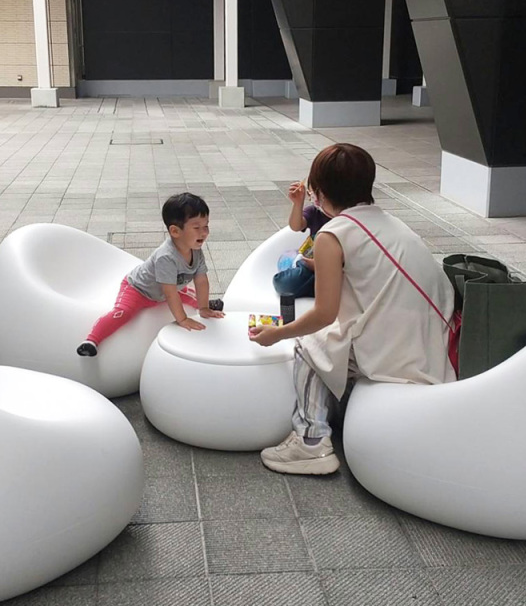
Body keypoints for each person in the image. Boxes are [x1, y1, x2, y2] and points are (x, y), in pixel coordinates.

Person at [250, 143, 457, 475]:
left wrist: (278, 334)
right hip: (436, 347)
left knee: (310, 343)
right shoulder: (392, 223)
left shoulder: (332, 234)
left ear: (318, 192)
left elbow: (324, 314)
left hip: (399, 356)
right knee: (334, 338)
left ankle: (310, 441)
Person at [77, 192, 224, 357]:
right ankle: (91, 340)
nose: (204, 232)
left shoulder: (195, 250)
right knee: (122, 313)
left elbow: (201, 280)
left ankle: (207, 304)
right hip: (138, 289)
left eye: (206, 226)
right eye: (197, 228)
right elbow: (170, 294)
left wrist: (203, 308)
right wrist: (182, 319)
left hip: (166, 289)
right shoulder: (166, 257)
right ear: (175, 231)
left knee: (190, 296)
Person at [272, 180, 331, 298]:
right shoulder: (314, 212)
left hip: (334, 270)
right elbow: (296, 225)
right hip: (311, 268)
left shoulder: (345, 218)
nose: (314, 198)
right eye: (311, 194)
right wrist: (298, 203)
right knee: (284, 283)